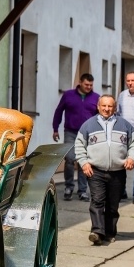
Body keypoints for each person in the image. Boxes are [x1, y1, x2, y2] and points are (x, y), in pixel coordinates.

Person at [75, 95, 134, 245]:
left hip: (118, 171)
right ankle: (97, 231)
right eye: (103, 106)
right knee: (97, 201)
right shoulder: (88, 125)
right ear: (98, 106)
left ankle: (109, 233)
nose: (106, 109)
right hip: (95, 170)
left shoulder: (125, 125)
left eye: (110, 106)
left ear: (114, 108)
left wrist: (131, 158)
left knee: (112, 205)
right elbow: (79, 145)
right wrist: (84, 163)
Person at [52, 73, 99, 201]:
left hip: (87, 134)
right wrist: (55, 129)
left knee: (84, 162)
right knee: (70, 159)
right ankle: (69, 187)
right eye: (86, 84)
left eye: (91, 85)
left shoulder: (96, 98)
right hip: (71, 132)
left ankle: (83, 191)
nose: (89, 87)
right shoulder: (68, 95)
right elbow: (58, 111)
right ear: (80, 83)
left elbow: (99, 117)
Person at [116, 71, 134, 203]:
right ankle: (121, 191)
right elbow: (118, 113)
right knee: (121, 162)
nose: (130, 83)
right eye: (128, 80)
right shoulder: (122, 95)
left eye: (133, 80)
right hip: (123, 132)